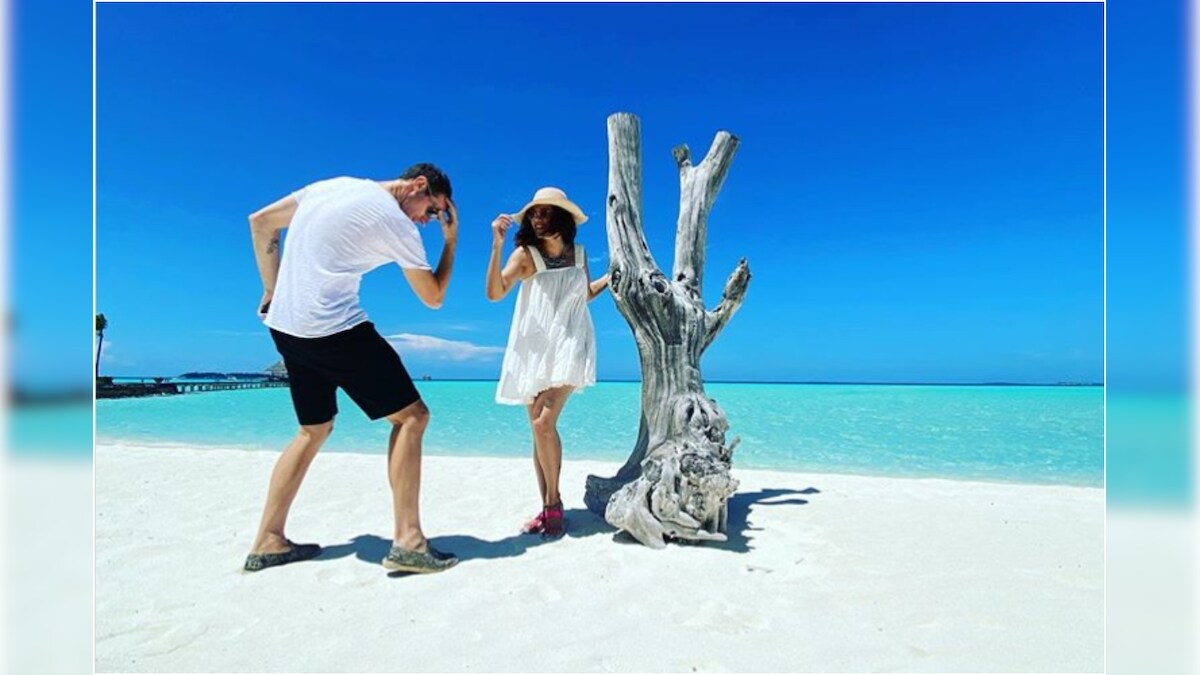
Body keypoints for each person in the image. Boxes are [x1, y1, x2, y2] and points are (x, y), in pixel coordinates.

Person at [244, 163, 460, 574]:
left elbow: (261, 223)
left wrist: (272, 290)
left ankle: (268, 540)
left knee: (314, 429)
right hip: (332, 328)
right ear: (418, 185)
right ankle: (409, 542)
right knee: (413, 418)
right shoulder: (397, 224)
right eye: (434, 211)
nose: (430, 221)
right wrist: (451, 242)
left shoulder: (331, 186)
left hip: (286, 328)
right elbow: (433, 297)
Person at [485, 187, 609, 538]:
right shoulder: (525, 256)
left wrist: (613, 278)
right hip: (533, 351)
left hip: (570, 344)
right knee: (538, 432)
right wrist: (497, 245)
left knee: (542, 424)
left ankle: (554, 506)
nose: (538, 219)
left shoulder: (579, 254)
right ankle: (547, 508)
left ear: (562, 217)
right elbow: (495, 293)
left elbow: (584, 295)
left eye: (545, 213)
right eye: (534, 214)